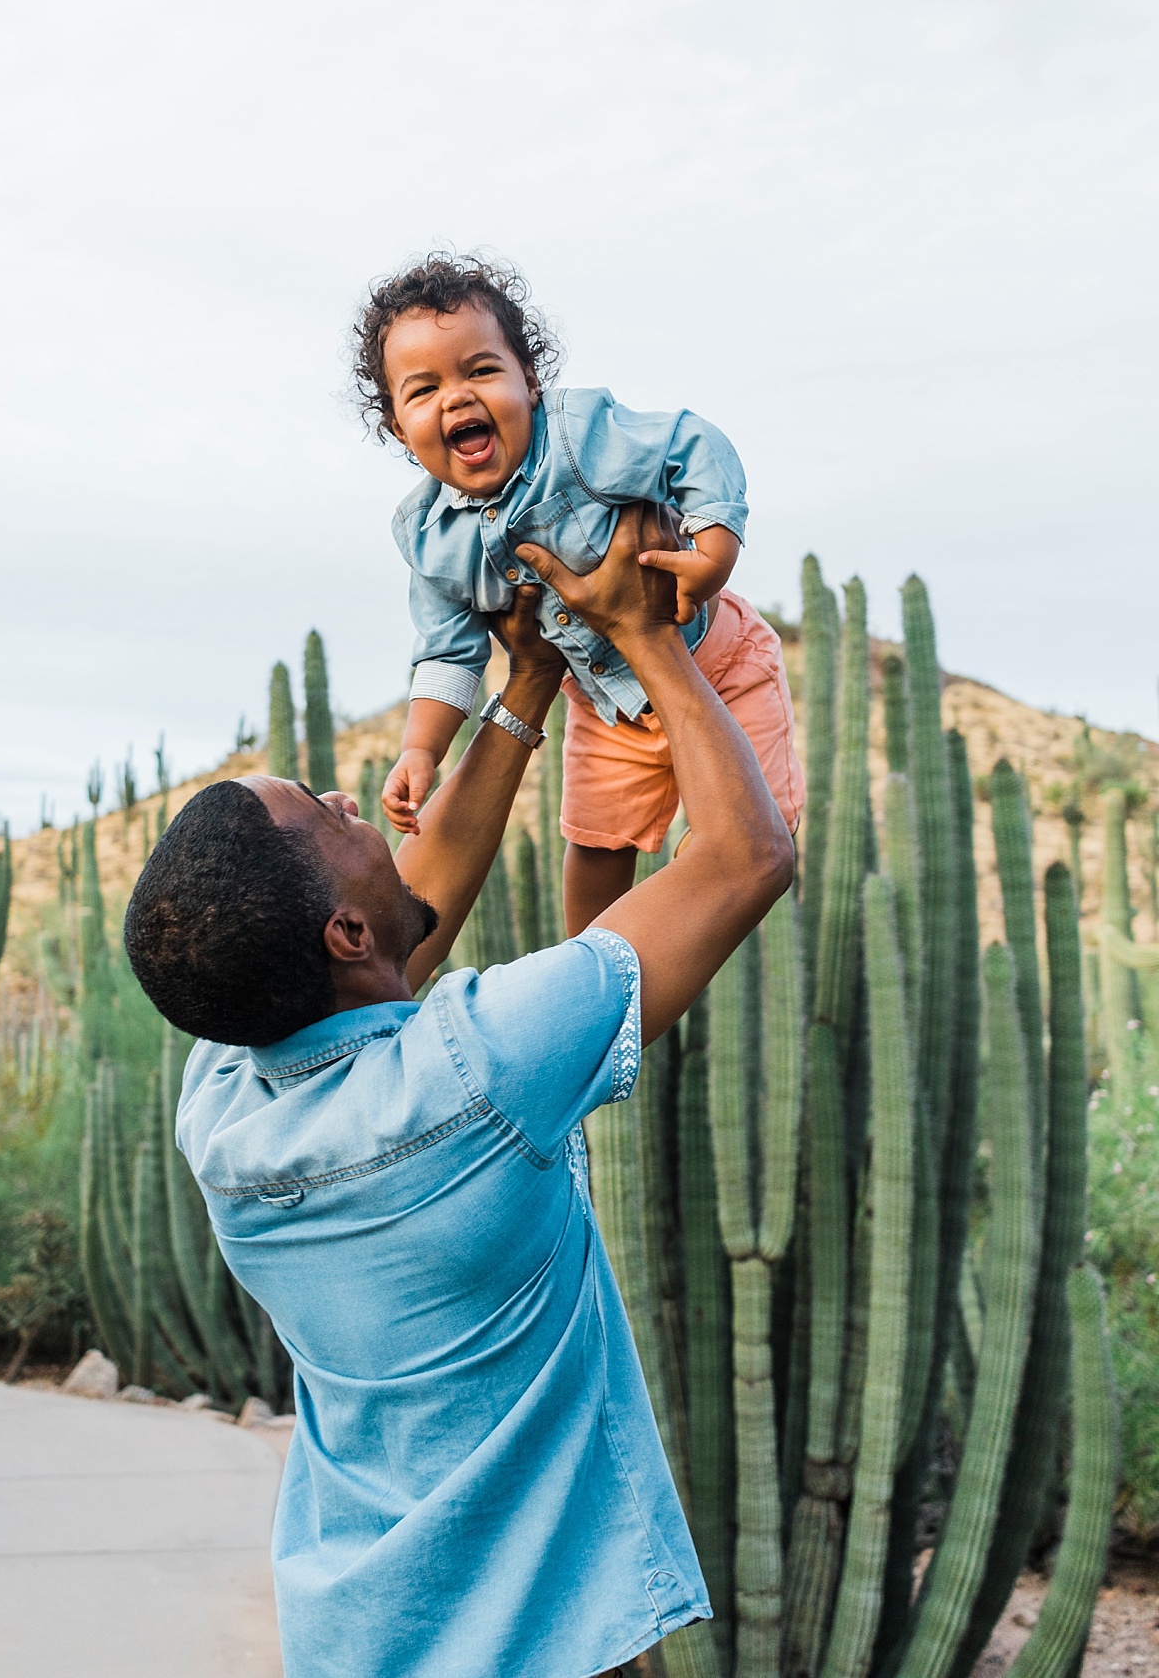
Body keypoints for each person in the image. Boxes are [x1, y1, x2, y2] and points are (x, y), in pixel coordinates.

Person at [123, 505, 794, 1678]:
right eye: (321, 812)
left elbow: (385, 941)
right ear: (336, 921)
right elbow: (748, 856)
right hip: (538, 1636)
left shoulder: (222, 1096)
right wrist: (647, 636)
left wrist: (525, 684)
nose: (347, 799)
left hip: (358, 1631)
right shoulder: (484, 1065)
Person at [354, 251, 805, 935]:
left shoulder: (579, 437)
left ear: (529, 380)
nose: (456, 396)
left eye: (481, 370)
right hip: (605, 707)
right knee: (594, 842)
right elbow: (448, 653)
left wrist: (713, 547)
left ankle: (696, 896)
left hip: (717, 663)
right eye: (422, 390)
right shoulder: (429, 537)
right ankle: (587, 968)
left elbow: (690, 440)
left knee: (753, 830)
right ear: (397, 426)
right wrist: (422, 749)